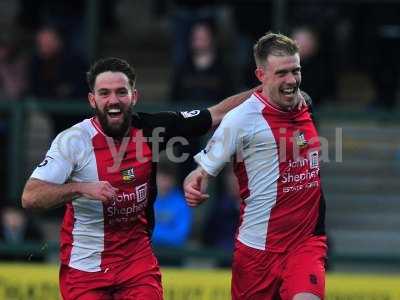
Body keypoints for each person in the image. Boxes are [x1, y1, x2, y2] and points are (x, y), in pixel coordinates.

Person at [20, 57, 269, 300]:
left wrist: (267, 88)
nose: (113, 101)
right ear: (92, 100)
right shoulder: (72, 141)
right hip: (85, 269)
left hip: (136, 264)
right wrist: (80, 188)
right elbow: (31, 197)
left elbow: (215, 114)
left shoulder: (151, 130)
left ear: (134, 96)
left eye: (121, 92)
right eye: (104, 93)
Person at [184, 32, 327, 300]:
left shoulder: (305, 104)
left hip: (305, 243)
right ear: (261, 76)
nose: (291, 80)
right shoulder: (241, 119)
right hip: (257, 251)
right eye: (282, 73)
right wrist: (196, 178)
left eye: (295, 71)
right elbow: (204, 167)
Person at [152, 159, 192, 247]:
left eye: (169, 178)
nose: (166, 183)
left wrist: (151, 232)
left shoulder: (181, 203)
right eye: (162, 178)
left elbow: (180, 236)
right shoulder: (143, 198)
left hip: (172, 255)